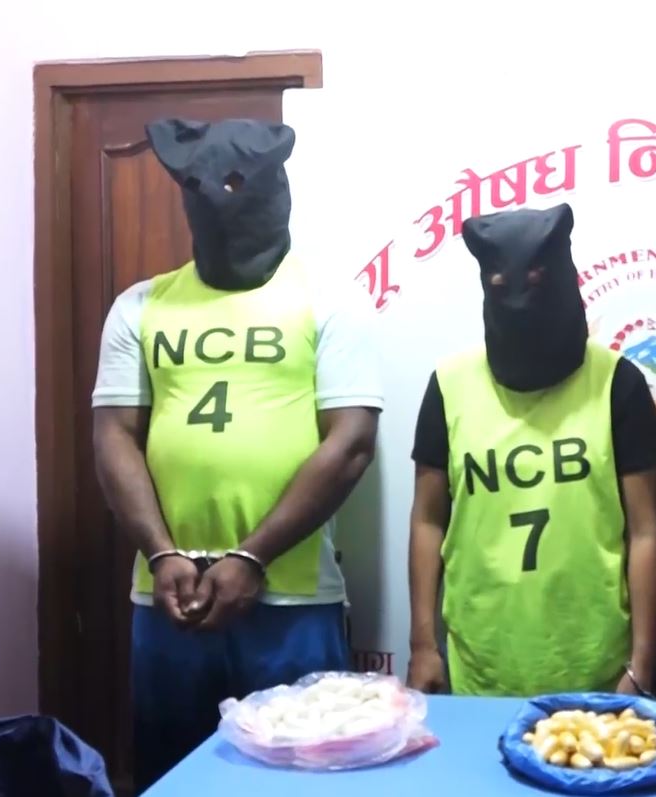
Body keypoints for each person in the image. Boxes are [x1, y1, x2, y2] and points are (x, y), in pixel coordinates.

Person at [90, 118, 383, 790]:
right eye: (203, 189)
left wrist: (252, 557)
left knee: (304, 780)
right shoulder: (141, 305)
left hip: (292, 597)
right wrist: (161, 552)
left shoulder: (330, 300)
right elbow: (113, 435)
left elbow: (350, 444)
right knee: (174, 775)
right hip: (169, 596)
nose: (222, 204)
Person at [405, 203, 656, 698]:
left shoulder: (617, 384)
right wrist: (422, 645)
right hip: (478, 664)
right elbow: (427, 519)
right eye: (501, 285)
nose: (521, 302)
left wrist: (642, 662)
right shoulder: (450, 385)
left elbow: (646, 530)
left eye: (536, 282)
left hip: (598, 667)